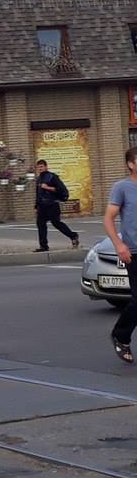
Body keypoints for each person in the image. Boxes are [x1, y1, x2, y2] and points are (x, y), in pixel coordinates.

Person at [104, 146, 137, 365]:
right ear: (131, 164)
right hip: (133, 251)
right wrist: (119, 244)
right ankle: (121, 334)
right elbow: (108, 218)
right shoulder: (122, 188)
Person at [33, 159, 79, 252]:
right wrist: (36, 206)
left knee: (56, 223)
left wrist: (48, 187)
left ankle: (73, 235)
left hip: (52, 204)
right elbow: (38, 193)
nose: (40, 168)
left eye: (42, 166)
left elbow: (61, 190)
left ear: (46, 167)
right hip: (42, 206)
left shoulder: (52, 177)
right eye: (38, 167)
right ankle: (43, 246)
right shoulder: (39, 179)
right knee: (40, 224)